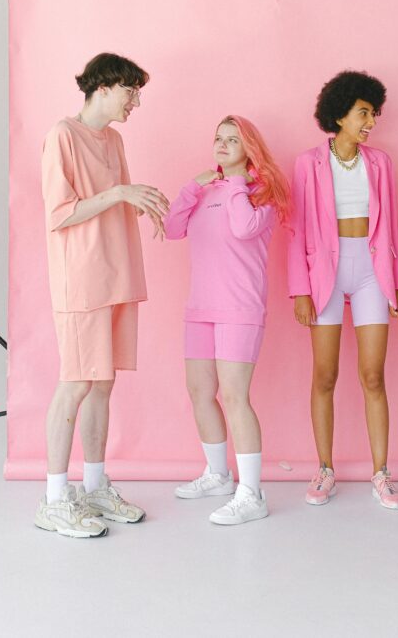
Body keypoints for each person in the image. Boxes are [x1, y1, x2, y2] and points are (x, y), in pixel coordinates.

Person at [35, 53, 170, 538]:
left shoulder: (113, 139)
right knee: (75, 382)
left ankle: (93, 486)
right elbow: (61, 213)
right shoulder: (62, 136)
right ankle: (54, 499)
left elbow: (116, 199)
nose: (136, 101)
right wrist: (120, 193)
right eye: (132, 91)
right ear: (106, 86)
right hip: (81, 280)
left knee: (103, 383)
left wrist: (140, 204)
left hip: (116, 275)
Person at [287, 70, 398, 509]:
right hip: (324, 276)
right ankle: (325, 470)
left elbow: (391, 224)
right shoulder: (307, 163)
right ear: (340, 115)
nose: (371, 120)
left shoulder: (381, 162)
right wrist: (300, 289)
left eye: (373, 113)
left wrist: (397, 282)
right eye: (363, 113)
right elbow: (297, 229)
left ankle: (382, 474)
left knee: (374, 376)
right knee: (325, 375)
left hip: (372, 270)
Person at [165, 115, 290, 525]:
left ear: (248, 147)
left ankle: (251, 494)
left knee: (236, 397)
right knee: (200, 392)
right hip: (200, 308)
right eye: (218, 137)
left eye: (232, 139)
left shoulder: (262, 195)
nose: (222, 144)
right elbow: (172, 229)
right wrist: (192, 187)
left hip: (240, 308)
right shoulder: (206, 190)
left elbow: (242, 229)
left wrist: (237, 182)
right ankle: (218, 474)